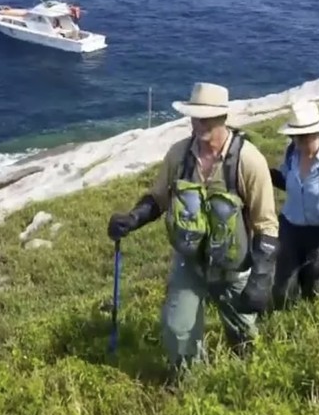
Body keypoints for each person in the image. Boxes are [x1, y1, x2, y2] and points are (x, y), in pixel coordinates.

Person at [106, 82, 279, 373]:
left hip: (233, 265)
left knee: (245, 336)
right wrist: (133, 218)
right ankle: (192, 382)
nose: (199, 124)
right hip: (190, 262)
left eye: (206, 118)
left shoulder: (249, 160)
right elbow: (159, 198)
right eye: (195, 117)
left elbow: (267, 224)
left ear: (223, 117)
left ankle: (245, 376)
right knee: (178, 331)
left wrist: (260, 279)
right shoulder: (179, 155)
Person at [269, 101, 319, 308]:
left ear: (317, 133)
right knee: (282, 290)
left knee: (315, 289)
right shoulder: (292, 154)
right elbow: (287, 180)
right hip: (290, 228)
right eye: (295, 136)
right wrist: (265, 172)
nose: (299, 142)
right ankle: (282, 320)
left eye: (304, 136)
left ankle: (309, 322)